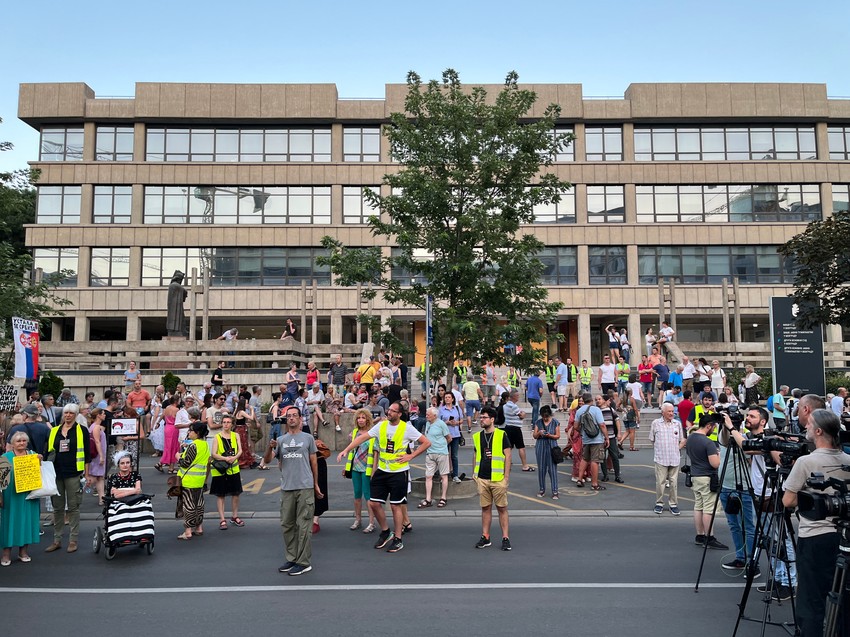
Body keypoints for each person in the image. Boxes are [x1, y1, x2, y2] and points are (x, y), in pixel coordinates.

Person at [782, 407, 850, 636]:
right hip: (843, 537)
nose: (806, 428)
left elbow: (788, 501)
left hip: (814, 538)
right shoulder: (847, 460)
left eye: (809, 425)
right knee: (842, 595)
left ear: (819, 431)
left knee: (812, 599)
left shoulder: (805, 462)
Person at [336, 402, 431, 554]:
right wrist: (346, 450)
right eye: (389, 410)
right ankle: (386, 531)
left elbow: (426, 442)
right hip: (382, 470)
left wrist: (411, 455)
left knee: (395, 506)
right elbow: (363, 437)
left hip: (399, 472)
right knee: (373, 503)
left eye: (393, 411)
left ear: (399, 414)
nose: (389, 412)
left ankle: (398, 539)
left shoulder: (406, 428)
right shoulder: (381, 426)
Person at [44, 404, 91, 554]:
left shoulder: (81, 430)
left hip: (73, 473)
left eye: (71, 413)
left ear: (76, 415)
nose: (68, 415)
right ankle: (57, 540)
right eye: (66, 413)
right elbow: (48, 451)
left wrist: (87, 474)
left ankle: (73, 540)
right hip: (56, 473)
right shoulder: (54, 431)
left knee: (73, 507)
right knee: (57, 508)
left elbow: (88, 455)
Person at [685, 413, 728, 550]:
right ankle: (709, 538)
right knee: (709, 509)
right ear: (708, 426)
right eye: (713, 427)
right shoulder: (708, 442)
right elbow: (715, 464)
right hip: (707, 478)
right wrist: (719, 454)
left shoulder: (691, 438)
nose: (714, 430)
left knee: (698, 506)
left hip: (695, 476)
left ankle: (700, 535)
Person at [472, 406, 512, 550]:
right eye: (480, 417)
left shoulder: (502, 435)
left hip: (498, 479)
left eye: (484, 417)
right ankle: (486, 536)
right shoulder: (477, 436)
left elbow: (508, 455)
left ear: (492, 419)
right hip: (482, 478)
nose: (481, 420)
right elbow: (476, 455)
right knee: (485, 508)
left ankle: (505, 538)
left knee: (502, 508)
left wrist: (506, 478)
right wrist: (474, 473)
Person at [0, 431, 42, 566]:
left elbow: (39, 473)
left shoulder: (32, 455)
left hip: (29, 495)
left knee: (27, 522)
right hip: (10, 496)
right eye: (18, 441)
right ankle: (6, 554)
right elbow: (1, 480)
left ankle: (23, 552)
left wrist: (39, 461)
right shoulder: (5, 457)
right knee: (9, 523)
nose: (21, 443)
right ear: (12, 444)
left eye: (24, 441)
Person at [343, 409, 377, 533]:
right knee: (357, 495)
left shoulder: (372, 434)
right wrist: (346, 468)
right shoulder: (354, 433)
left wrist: (374, 469)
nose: (361, 420)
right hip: (355, 468)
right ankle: (358, 519)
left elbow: (375, 452)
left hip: (366, 468)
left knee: (368, 496)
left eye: (363, 417)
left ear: (368, 419)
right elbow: (351, 451)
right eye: (359, 418)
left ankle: (371, 522)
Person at [176, 421, 209, 540]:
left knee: (188, 506)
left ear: (197, 433)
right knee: (199, 504)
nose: (188, 432)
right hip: (199, 480)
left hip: (188, 480)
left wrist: (178, 457)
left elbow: (185, 463)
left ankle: (188, 531)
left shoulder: (193, 445)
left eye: (191, 430)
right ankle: (199, 527)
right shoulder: (204, 444)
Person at [210, 415, 244, 531]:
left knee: (236, 493)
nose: (226, 424)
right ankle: (222, 519)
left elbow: (240, 450)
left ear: (232, 424)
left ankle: (235, 516)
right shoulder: (217, 437)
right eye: (224, 422)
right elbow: (214, 453)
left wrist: (234, 457)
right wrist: (225, 459)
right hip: (221, 469)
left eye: (228, 422)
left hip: (233, 468)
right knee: (220, 494)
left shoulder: (236, 435)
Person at [649, 403, 683, 515]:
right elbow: (652, 439)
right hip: (661, 458)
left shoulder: (677, 424)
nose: (671, 413)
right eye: (669, 411)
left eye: (673, 411)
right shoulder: (656, 424)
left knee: (673, 483)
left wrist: (677, 449)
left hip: (674, 458)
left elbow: (682, 440)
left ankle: (673, 504)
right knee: (660, 482)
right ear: (662, 412)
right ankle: (659, 503)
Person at [419, 407, 451, 509]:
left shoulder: (441, 424)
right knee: (428, 476)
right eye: (427, 414)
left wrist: (441, 446)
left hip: (441, 453)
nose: (426, 415)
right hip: (430, 452)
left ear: (435, 416)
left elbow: (449, 438)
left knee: (443, 475)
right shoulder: (428, 423)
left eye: (428, 414)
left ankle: (443, 498)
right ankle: (428, 499)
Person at [575, 393, 607, 490]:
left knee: (585, 459)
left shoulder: (579, 411)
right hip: (597, 438)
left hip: (586, 438)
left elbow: (575, 426)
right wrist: (606, 437)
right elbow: (602, 425)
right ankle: (594, 483)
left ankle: (579, 479)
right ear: (591, 400)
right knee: (595, 461)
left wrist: (582, 432)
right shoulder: (596, 410)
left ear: (583, 400)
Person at [533, 405, 560, 499]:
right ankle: (542, 489)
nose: (545, 418)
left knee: (552, 469)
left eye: (546, 417)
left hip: (552, 445)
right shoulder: (538, 422)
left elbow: (558, 436)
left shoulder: (555, 422)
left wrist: (550, 435)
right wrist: (539, 433)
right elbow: (534, 436)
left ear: (549, 415)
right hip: (540, 446)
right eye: (543, 416)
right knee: (541, 469)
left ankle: (555, 491)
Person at [502, 389, 533, 472]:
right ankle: (525, 465)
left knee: (509, 448)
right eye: (517, 395)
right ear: (513, 397)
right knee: (521, 447)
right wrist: (523, 413)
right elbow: (521, 415)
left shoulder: (505, 406)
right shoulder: (514, 406)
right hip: (515, 428)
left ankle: (506, 465)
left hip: (508, 427)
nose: (518, 397)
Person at [439, 391, 464, 484]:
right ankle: (443, 475)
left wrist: (456, 422)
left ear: (452, 399)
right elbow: (438, 422)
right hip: (445, 435)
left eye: (449, 397)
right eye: (446, 397)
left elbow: (461, 419)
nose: (447, 399)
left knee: (454, 456)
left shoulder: (457, 408)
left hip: (455, 434)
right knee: (444, 455)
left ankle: (455, 475)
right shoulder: (441, 410)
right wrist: (447, 422)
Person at [85, 407, 108, 505]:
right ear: (98, 415)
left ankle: (102, 498)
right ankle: (81, 487)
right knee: (94, 476)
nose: (105, 415)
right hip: (97, 455)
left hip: (97, 454)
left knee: (100, 477)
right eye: (103, 413)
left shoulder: (94, 426)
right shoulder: (96, 427)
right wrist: (102, 456)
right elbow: (97, 441)